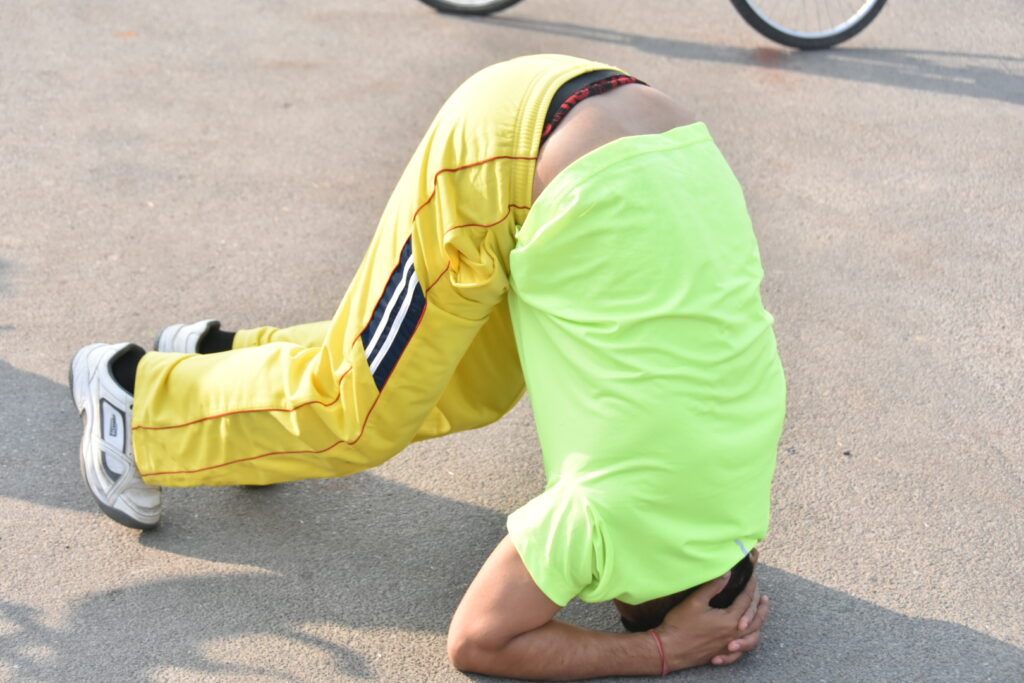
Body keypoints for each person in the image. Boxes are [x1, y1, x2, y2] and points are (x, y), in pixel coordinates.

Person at [69, 54, 785, 678]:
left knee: (468, 378)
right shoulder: (609, 524)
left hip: (655, 143)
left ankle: (220, 363)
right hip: (507, 153)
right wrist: (661, 651)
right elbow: (480, 639)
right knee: (355, 414)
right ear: (624, 588)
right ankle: (136, 402)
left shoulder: (741, 500)